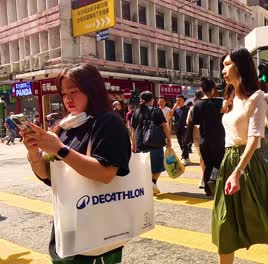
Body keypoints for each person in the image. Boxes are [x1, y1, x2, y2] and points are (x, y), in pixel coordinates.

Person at [19, 63, 131, 263]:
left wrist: (61, 150)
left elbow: (106, 174)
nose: (67, 99)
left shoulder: (108, 122)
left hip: (98, 228)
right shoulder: (65, 125)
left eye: (74, 91)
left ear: (92, 90)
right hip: (67, 221)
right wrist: (34, 151)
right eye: (63, 93)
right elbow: (47, 175)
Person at [213, 48, 268, 264]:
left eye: (228, 64)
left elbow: (254, 138)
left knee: (262, 215)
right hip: (228, 160)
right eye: (223, 65)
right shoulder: (229, 97)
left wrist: (238, 172)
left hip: (249, 163)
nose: (223, 69)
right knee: (224, 220)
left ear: (241, 66)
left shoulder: (257, 97)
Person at [131, 91, 172, 195]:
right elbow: (164, 126)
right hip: (155, 143)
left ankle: (147, 185)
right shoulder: (156, 111)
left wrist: (133, 144)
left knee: (144, 167)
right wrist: (169, 139)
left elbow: (133, 130)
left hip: (140, 144)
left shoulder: (136, 112)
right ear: (152, 100)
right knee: (158, 166)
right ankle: (152, 182)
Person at [192, 77, 225, 196]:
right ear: (212, 89)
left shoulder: (197, 104)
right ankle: (215, 184)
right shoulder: (220, 102)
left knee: (207, 164)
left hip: (204, 139)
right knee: (218, 163)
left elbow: (196, 121)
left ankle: (207, 188)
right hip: (219, 138)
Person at [185, 89, 205, 189]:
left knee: (203, 157)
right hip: (208, 135)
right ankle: (204, 178)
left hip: (197, 136)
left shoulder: (192, 108)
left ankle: (204, 178)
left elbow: (188, 122)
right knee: (205, 157)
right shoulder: (209, 105)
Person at [170, 95, 191, 165]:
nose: (178, 102)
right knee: (180, 143)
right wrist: (174, 107)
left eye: (179, 100)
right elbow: (170, 115)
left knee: (184, 143)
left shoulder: (187, 108)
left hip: (185, 128)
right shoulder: (175, 109)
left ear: (183, 101)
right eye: (177, 100)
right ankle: (187, 157)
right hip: (177, 128)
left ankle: (183, 158)